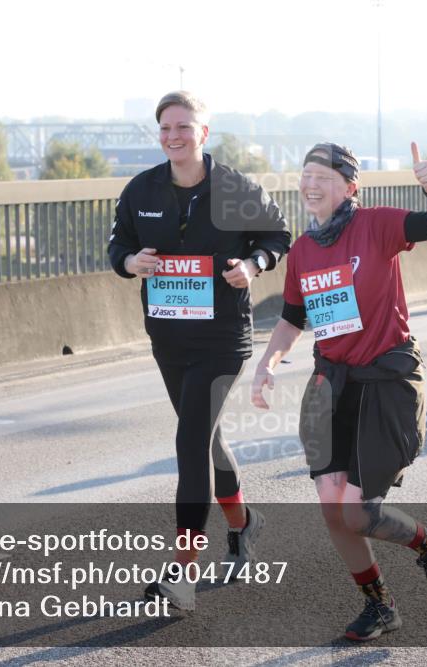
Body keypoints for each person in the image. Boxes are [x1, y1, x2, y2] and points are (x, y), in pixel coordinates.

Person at [251, 142, 427, 641]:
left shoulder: (376, 225)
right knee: (331, 505)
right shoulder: (302, 250)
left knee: (358, 513)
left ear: (349, 187)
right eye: (306, 175)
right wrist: (266, 364)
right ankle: (380, 606)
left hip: (386, 381)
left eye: (323, 176)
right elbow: (292, 318)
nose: (311, 184)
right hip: (332, 383)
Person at [107, 91, 291, 611]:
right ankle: (244, 524)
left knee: (189, 441)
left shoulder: (235, 187)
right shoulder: (140, 188)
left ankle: (182, 573)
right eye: (165, 128)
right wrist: (130, 263)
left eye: (183, 127)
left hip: (221, 338)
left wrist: (252, 265)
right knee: (206, 442)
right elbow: (117, 247)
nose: (173, 136)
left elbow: (277, 236)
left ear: (203, 133)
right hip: (168, 335)